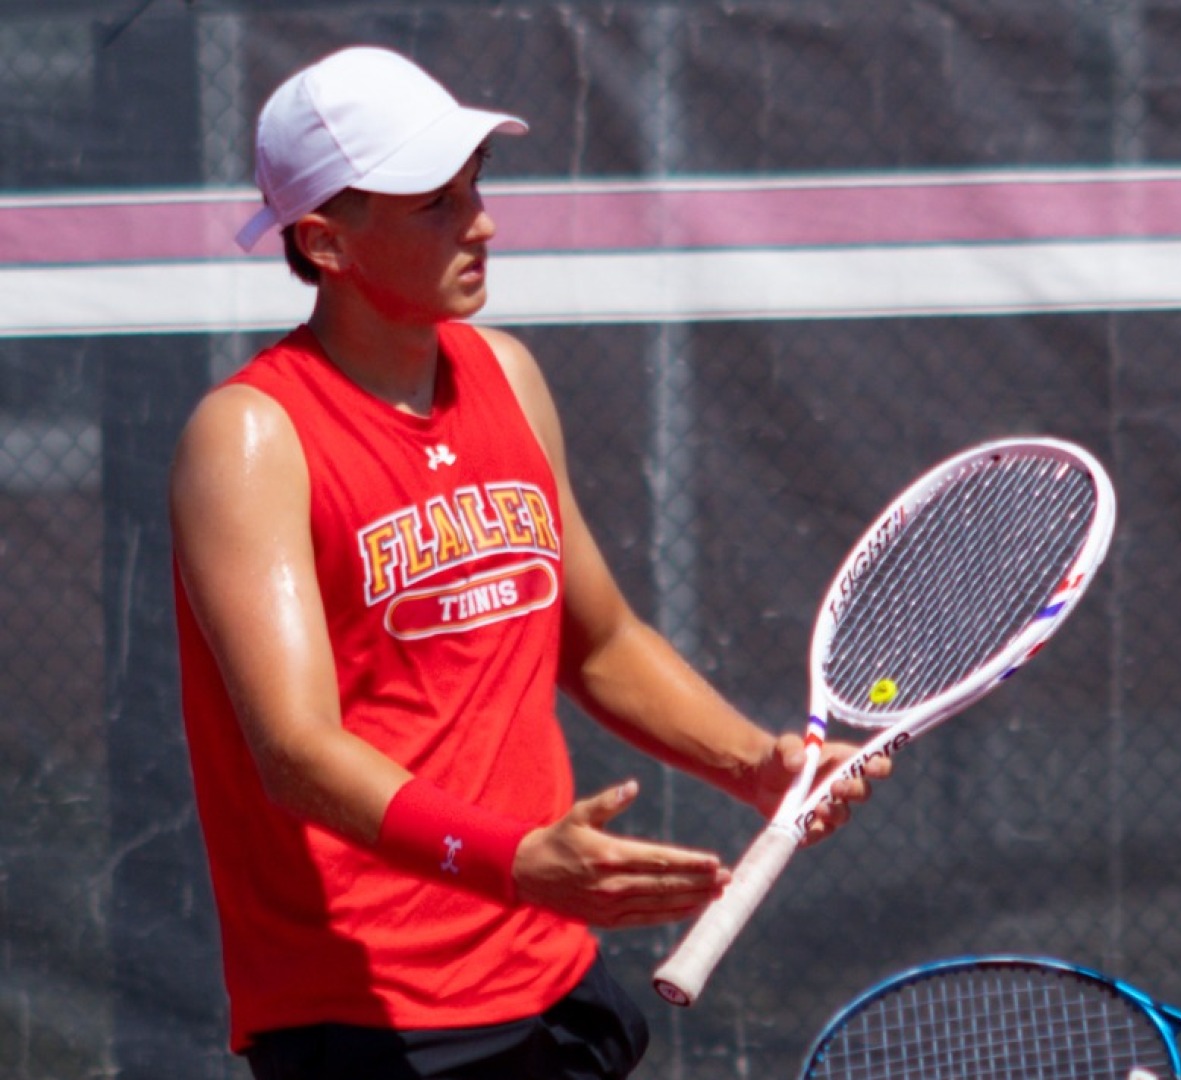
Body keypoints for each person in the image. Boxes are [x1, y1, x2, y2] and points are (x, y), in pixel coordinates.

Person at [171, 46, 887, 1080]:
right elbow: (295, 750)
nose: (482, 221)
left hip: (552, 983)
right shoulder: (249, 437)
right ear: (325, 241)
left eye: (475, 188)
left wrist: (757, 770)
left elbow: (596, 642)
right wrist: (514, 863)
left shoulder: (505, 375)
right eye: (432, 204)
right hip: (373, 1019)